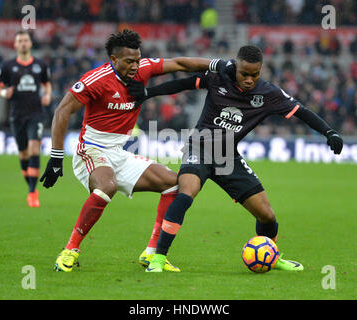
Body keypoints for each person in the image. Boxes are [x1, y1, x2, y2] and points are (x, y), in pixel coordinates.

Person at [128, 45, 344, 272]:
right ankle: (158, 259)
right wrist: (148, 93)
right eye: (245, 74)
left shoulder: (269, 94)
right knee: (185, 193)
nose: (250, 80)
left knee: (267, 215)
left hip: (226, 156)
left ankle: (272, 255)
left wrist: (329, 132)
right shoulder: (218, 75)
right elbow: (184, 83)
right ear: (236, 67)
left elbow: (302, 111)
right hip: (199, 147)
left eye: (255, 75)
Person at [39, 29, 226, 272]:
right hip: (92, 149)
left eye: (138, 60)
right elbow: (63, 110)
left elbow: (180, 63)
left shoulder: (144, 68)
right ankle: (69, 250)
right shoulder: (96, 79)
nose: (136, 66)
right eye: (129, 61)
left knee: (174, 184)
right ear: (113, 60)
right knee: (107, 187)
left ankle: (151, 253)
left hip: (118, 151)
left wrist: (218, 64)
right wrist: (55, 157)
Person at [0, 30, 52, 208]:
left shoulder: (40, 65)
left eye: (26, 40)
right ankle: (32, 187)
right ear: (15, 45)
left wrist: (48, 95)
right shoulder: (7, 66)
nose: (23, 43)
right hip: (17, 115)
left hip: (36, 114)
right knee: (23, 154)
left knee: (34, 147)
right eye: (20, 41)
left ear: (30, 43)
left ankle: (32, 193)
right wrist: (5, 92)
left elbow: (46, 84)